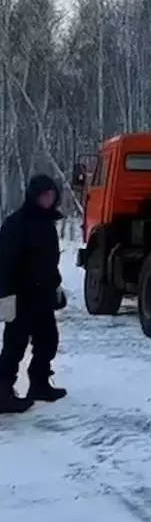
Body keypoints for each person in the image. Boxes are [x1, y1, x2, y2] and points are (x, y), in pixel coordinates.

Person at [0, 174, 69, 414]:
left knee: (48, 340)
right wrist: (6, 296)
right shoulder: (16, 223)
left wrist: (56, 287)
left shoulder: (47, 223)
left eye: (52, 195)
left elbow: (49, 262)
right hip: (18, 295)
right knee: (14, 345)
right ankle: (2, 391)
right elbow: (5, 261)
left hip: (42, 296)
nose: (48, 199)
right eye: (44, 195)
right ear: (34, 195)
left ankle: (39, 384)